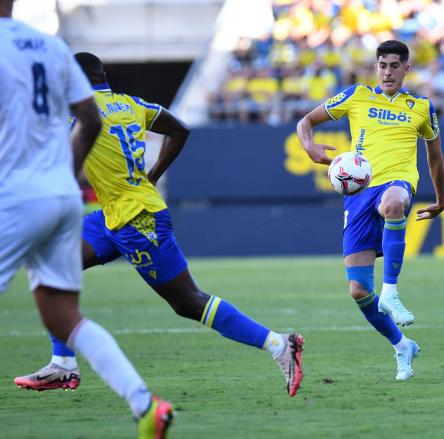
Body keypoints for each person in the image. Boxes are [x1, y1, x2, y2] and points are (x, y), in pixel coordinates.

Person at [14, 52, 305, 397]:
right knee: (54, 262)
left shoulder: (80, 113)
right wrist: (152, 175)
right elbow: (180, 129)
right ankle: (62, 364)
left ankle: (279, 344)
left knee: (189, 302)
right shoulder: (132, 105)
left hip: (138, 221)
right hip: (114, 215)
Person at [0, 2, 173, 437]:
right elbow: (90, 118)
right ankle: (144, 405)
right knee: (63, 316)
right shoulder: (50, 47)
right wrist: (62, 176)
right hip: (60, 196)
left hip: (16, 192)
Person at [296, 40, 444, 380]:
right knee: (359, 290)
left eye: (395, 65)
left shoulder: (422, 107)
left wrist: (441, 197)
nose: (388, 72)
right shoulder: (357, 96)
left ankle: (392, 292)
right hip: (359, 192)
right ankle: (401, 345)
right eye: (382, 65)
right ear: (376, 67)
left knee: (393, 203)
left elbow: (434, 155)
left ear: (407, 68)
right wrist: (309, 147)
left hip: (398, 181)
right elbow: (305, 121)